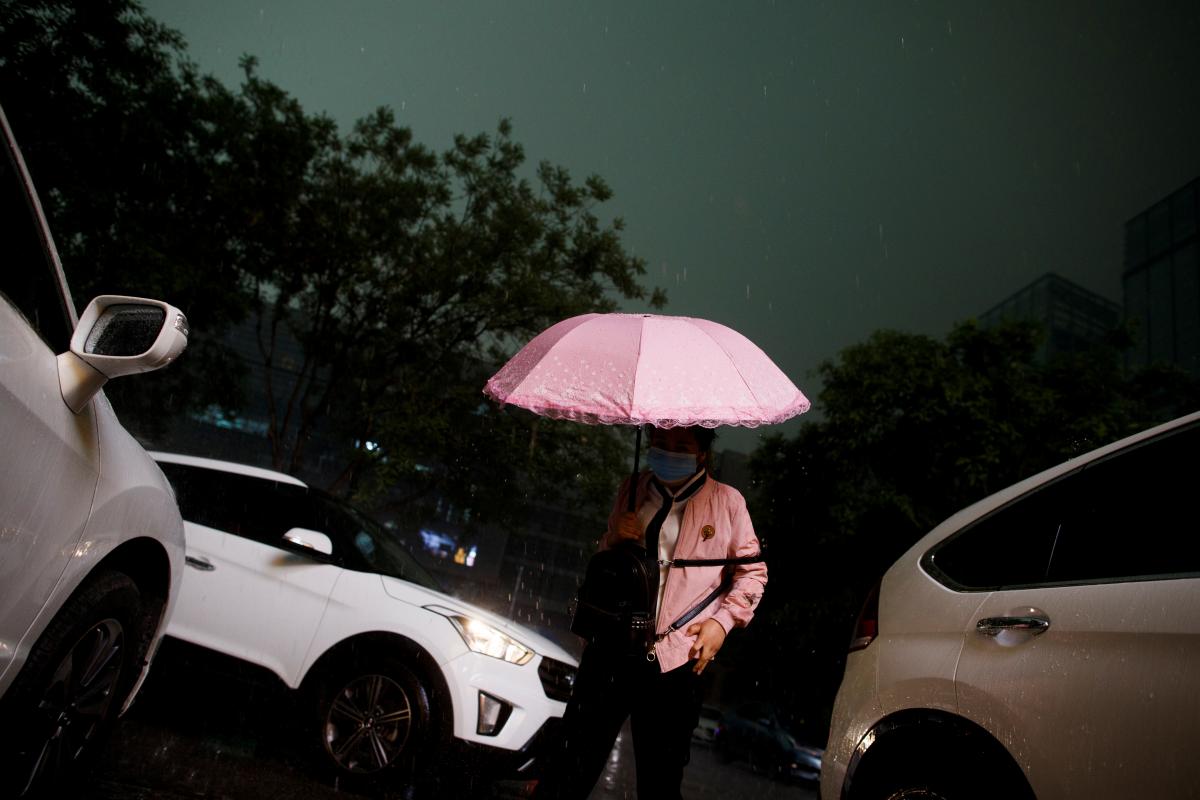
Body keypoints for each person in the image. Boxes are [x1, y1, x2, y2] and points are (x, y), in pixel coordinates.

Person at [535, 425, 768, 800]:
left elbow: (752, 574)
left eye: (681, 445)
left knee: (660, 782)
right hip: (611, 650)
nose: (668, 452)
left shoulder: (727, 502)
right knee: (568, 767)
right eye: (660, 442)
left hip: (677, 659)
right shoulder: (633, 488)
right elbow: (605, 564)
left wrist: (721, 624)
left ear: (702, 452)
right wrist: (614, 538)